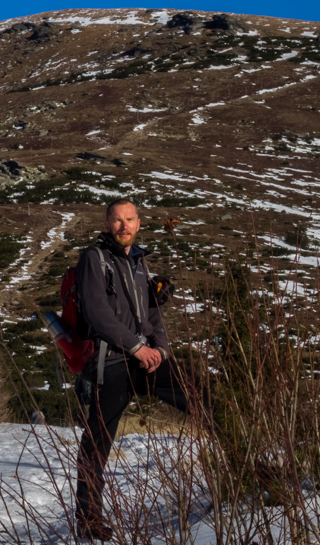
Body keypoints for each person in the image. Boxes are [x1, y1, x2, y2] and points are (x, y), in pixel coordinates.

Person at [73, 198, 190, 540]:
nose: (124, 225)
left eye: (130, 219)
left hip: (145, 360)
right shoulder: (94, 259)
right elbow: (97, 313)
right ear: (107, 224)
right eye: (117, 220)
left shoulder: (139, 263)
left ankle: (246, 469)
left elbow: (152, 315)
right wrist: (138, 347)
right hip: (110, 362)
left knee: (201, 393)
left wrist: (162, 349)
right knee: (97, 441)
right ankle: (88, 521)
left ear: (139, 223)